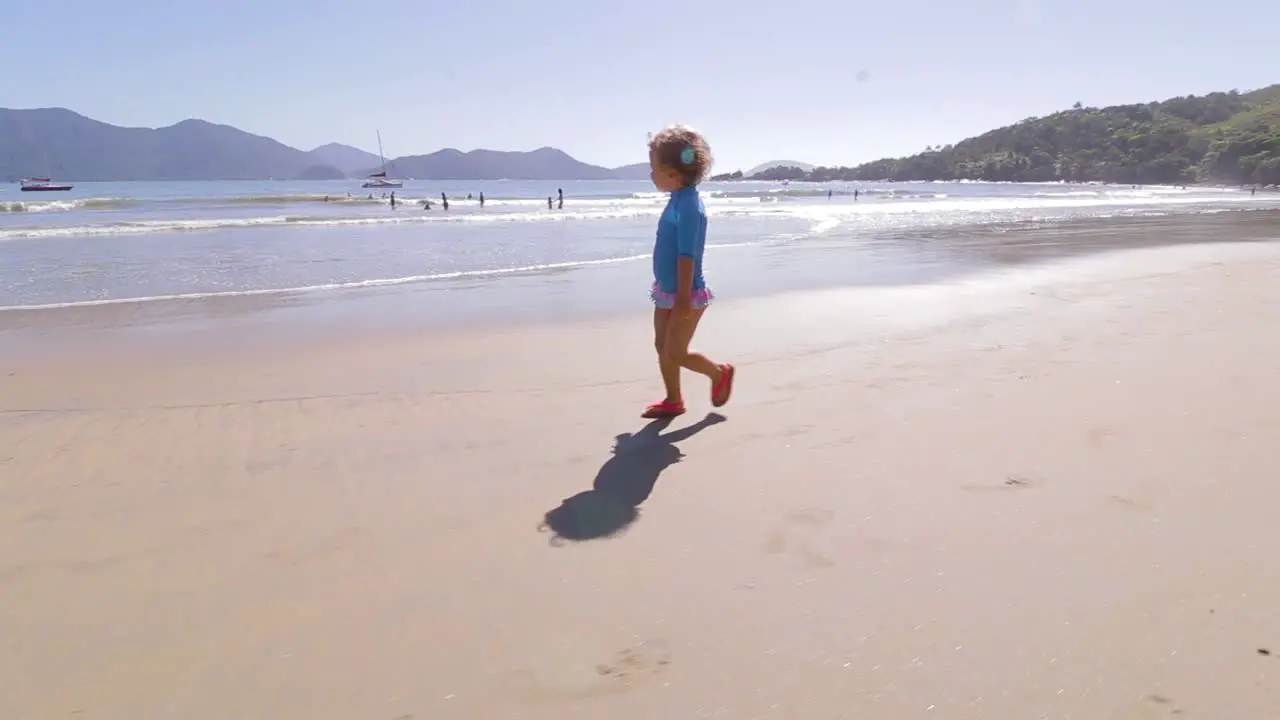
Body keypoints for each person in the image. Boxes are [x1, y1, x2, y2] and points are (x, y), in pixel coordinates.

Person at [641, 124, 735, 419]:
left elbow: (687, 255)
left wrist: (682, 297)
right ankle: (674, 400)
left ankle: (718, 373)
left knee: (676, 350)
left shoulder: (690, 207)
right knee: (661, 345)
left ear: (674, 172)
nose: (650, 173)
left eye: (653, 167)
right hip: (667, 289)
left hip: (687, 292)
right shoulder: (676, 201)